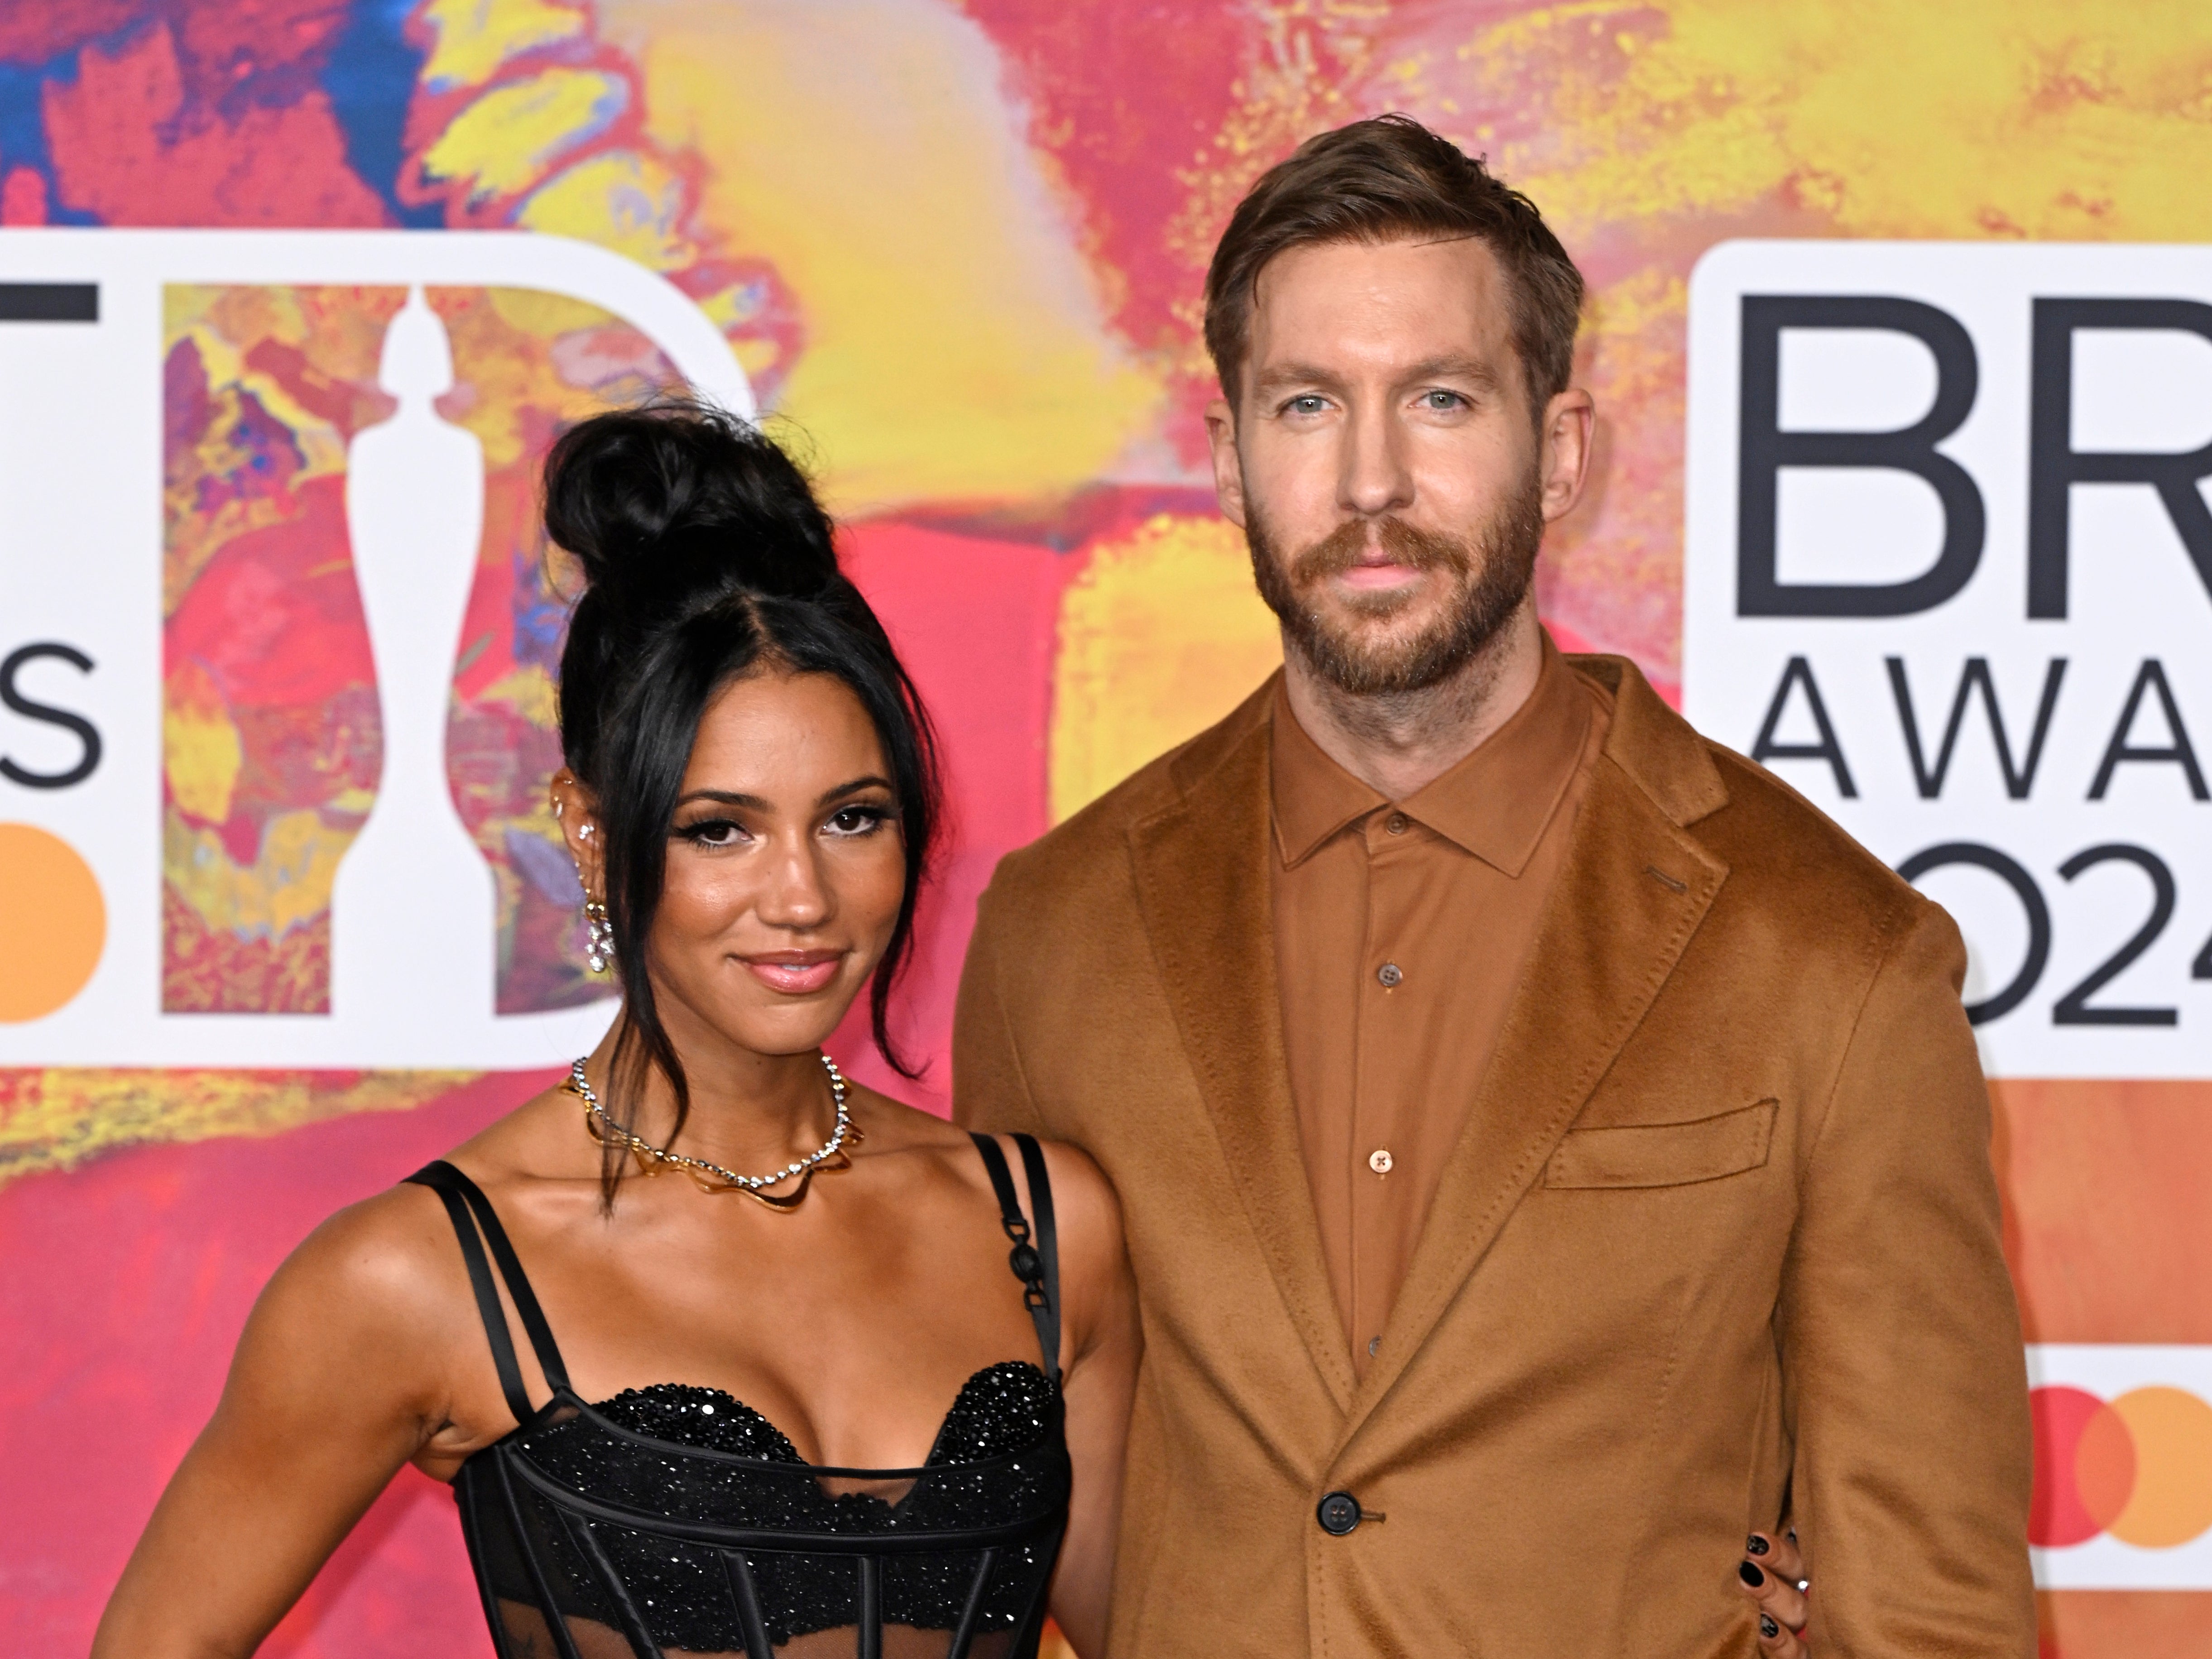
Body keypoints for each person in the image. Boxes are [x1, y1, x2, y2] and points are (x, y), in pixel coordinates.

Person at [953, 115, 2035, 1656]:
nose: (1372, 479)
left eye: (1442, 400)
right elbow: (1036, 1484)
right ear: (1225, 454)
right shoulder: (1056, 932)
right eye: (1310, 402)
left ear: (1564, 449)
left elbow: (1932, 1609)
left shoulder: (1833, 951)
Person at [93, 401, 1140, 1659]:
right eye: (721, 829)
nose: (801, 896)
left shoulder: (1048, 1227)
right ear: (593, 831)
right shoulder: (422, 1277)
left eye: (852, 818)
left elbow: (1157, 1631)